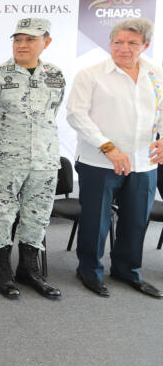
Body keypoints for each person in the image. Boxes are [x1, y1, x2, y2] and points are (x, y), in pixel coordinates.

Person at [67, 17, 163, 299]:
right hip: (100, 162)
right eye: (118, 42)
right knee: (96, 220)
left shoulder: (155, 74)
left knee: (136, 220)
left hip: (144, 162)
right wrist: (108, 147)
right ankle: (89, 270)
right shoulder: (91, 74)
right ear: (109, 43)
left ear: (144, 46)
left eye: (132, 43)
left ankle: (127, 270)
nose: (124, 48)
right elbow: (76, 114)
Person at [0, 18, 63, 300]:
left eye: (30, 39)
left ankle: (28, 270)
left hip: (45, 161)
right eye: (18, 39)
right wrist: (5, 140)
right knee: (3, 216)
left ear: (46, 42)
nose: (22, 44)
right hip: (7, 161)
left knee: (37, 217)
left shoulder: (55, 75)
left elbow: (53, 111)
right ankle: (3, 271)